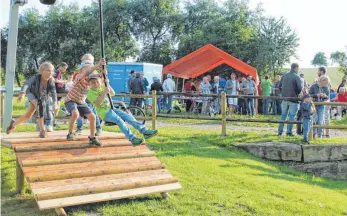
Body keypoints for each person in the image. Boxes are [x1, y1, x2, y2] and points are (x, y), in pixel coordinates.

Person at [87, 73, 158, 145]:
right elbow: (98, 103)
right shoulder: (90, 93)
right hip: (105, 113)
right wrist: (104, 92)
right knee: (119, 120)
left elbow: (113, 93)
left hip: (112, 109)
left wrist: (107, 84)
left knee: (128, 116)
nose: (95, 84)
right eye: (93, 83)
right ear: (89, 84)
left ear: (100, 81)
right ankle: (132, 138)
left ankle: (144, 131)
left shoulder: (102, 86)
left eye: (97, 82)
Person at [6, 62, 58, 138]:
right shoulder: (36, 77)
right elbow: (27, 83)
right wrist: (22, 93)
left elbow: (54, 92)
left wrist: (55, 103)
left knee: (28, 116)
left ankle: (12, 124)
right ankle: (42, 131)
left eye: (51, 71)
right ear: (42, 71)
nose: (50, 73)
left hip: (42, 97)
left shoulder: (51, 80)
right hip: (32, 94)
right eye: (48, 70)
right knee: (40, 107)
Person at [64, 54, 105, 145]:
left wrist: (104, 70)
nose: (88, 70)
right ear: (81, 69)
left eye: (89, 68)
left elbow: (100, 78)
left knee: (92, 117)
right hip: (71, 99)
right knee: (75, 113)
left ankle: (92, 137)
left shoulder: (91, 79)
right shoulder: (79, 76)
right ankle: (70, 133)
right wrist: (97, 65)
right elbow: (87, 72)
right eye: (85, 68)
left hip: (81, 101)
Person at [277, 63, 303, 136]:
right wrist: (296, 93)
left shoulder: (284, 75)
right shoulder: (297, 77)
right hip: (293, 99)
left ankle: (280, 131)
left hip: (284, 98)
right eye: (298, 68)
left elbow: (279, 86)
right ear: (296, 68)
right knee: (292, 116)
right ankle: (289, 132)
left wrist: (283, 93)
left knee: (283, 115)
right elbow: (299, 88)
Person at [53, 62, 68, 128]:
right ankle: (66, 108)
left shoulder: (59, 73)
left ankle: (53, 122)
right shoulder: (57, 72)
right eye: (64, 68)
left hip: (58, 92)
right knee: (55, 108)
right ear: (60, 67)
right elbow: (54, 80)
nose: (65, 70)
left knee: (57, 108)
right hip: (57, 91)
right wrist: (63, 81)